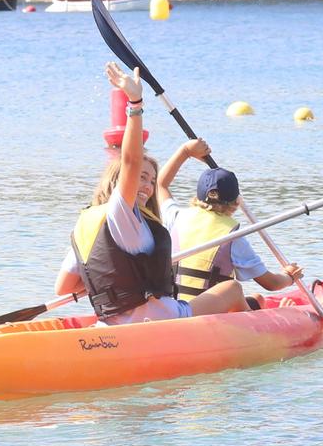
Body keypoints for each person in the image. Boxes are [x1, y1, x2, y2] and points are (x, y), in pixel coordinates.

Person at [54, 64, 246, 325]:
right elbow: (131, 160)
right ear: (120, 181)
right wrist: (135, 103)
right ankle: (255, 330)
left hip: (110, 326)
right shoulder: (121, 214)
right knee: (232, 289)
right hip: (158, 321)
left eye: (152, 180)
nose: (147, 186)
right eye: (142, 178)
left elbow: (64, 288)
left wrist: (114, 280)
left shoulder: (86, 224)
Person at [159, 145, 304, 311]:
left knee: (257, 299)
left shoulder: (176, 215)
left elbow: (161, 185)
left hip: (174, 309)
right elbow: (271, 283)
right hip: (208, 317)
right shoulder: (232, 236)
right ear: (236, 203)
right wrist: (289, 276)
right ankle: (278, 318)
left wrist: (185, 152)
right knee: (238, 290)